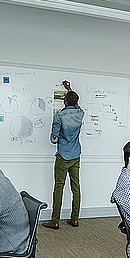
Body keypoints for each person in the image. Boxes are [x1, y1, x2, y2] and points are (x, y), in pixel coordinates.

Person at [42, 80, 84, 230]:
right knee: (76, 187)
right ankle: (74, 219)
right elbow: (75, 103)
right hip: (76, 155)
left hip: (63, 156)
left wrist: (60, 137)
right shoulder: (80, 113)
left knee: (59, 187)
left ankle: (55, 220)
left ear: (65, 101)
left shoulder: (59, 116)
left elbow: (53, 139)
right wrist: (69, 89)